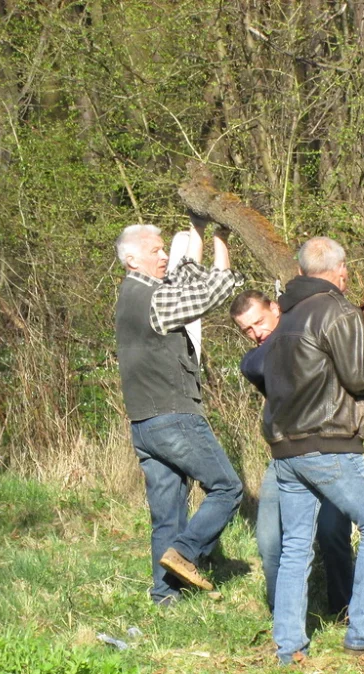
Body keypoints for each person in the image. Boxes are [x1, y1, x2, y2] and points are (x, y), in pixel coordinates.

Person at [263, 236, 364, 663]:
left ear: (302, 271)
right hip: (328, 443)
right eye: (345, 271)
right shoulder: (337, 310)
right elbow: (360, 378)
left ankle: (289, 647)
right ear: (340, 271)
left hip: (285, 447)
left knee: (295, 545)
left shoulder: (284, 315)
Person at [114, 220, 243, 605]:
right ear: (132, 259)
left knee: (167, 515)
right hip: (173, 417)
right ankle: (186, 552)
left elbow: (185, 280)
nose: (164, 254)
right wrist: (222, 237)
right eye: (155, 250)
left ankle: (165, 597)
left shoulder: (133, 295)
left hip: (144, 425)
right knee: (227, 488)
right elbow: (215, 290)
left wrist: (197, 230)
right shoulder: (154, 301)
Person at [229, 290, 354, 616]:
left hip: (329, 451)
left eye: (259, 321)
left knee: (332, 532)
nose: (256, 333)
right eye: (247, 330)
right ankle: (282, 613)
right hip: (284, 458)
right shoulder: (260, 358)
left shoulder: (310, 335)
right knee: (269, 541)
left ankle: (344, 608)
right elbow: (253, 364)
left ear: (275, 308)